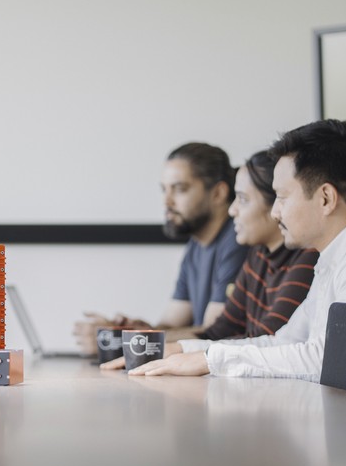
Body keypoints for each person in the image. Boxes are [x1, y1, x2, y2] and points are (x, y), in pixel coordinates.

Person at [131, 119, 346, 398]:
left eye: (282, 196)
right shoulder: (336, 259)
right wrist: (189, 349)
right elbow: (284, 342)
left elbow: (326, 360)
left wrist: (211, 359)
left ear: (325, 198)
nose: (275, 210)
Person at [102, 150, 319, 370]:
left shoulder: (306, 257)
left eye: (242, 199)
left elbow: (267, 340)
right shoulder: (257, 254)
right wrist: (144, 342)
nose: (233, 210)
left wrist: (186, 352)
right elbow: (219, 331)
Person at [74, 142, 248, 353]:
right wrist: (129, 330)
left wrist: (119, 340)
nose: (167, 202)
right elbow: (170, 325)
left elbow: (214, 333)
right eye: (164, 190)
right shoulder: (195, 246)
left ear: (218, 193)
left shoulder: (239, 239)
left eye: (180, 189)